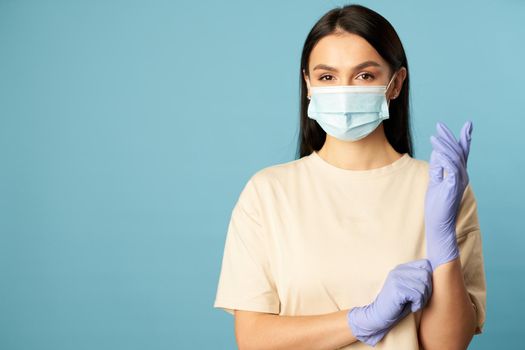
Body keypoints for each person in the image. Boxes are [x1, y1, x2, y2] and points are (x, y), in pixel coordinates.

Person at [213, 4, 486, 349]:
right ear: (308, 84)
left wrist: (442, 240)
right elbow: (253, 340)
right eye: (327, 77)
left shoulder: (442, 189)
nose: (344, 91)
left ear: (396, 83)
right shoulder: (267, 193)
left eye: (364, 76)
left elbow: (447, 345)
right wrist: (363, 319)